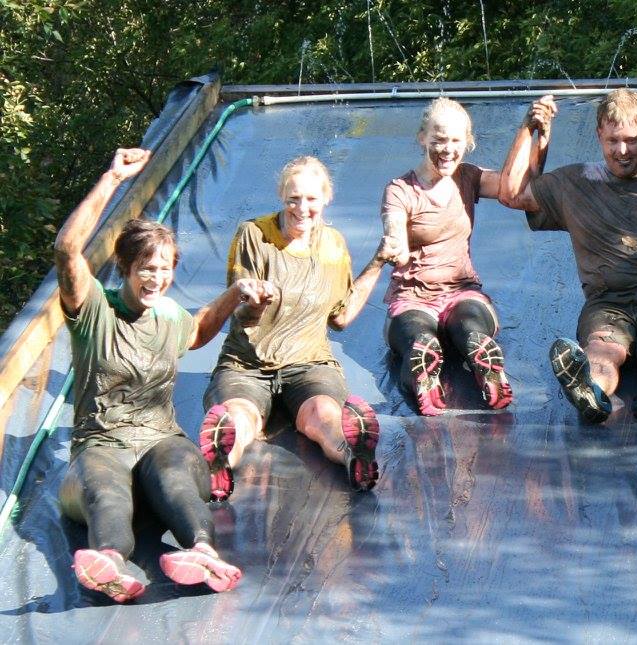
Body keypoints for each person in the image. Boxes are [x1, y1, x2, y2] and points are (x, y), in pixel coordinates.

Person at [55, 148, 259, 602]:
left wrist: (234, 294)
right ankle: (109, 562)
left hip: (159, 439)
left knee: (176, 477)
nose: (156, 278)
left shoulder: (167, 316)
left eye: (165, 270)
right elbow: (67, 250)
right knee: (106, 492)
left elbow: (198, 331)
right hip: (102, 444)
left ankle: (203, 552)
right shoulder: (94, 310)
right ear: (126, 269)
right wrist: (112, 178)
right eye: (146, 268)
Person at [499, 89, 637, 423]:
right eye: (613, 141)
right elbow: (512, 193)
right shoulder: (576, 182)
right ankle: (590, 390)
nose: (622, 150)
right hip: (608, 303)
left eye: (632, 140)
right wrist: (529, 131)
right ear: (599, 136)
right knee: (601, 351)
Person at [201, 156, 392, 500]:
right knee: (242, 416)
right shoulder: (254, 235)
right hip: (246, 364)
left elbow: (341, 317)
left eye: (311, 199)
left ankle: (354, 452)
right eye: (293, 199)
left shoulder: (333, 246)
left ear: (326, 198)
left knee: (322, 414)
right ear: (281, 196)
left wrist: (378, 262)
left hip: (309, 363)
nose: (302, 208)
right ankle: (221, 461)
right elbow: (241, 314)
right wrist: (255, 303)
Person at [381, 98, 539, 415]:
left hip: (461, 292)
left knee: (469, 326)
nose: (447, 150)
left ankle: (482, 357)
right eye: (439, 140)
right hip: (412, 298)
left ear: (467, 142)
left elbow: (513, 187)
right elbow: (393, 224)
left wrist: (529, 130)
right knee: (417, 336)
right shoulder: (400, 190)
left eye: (455, 141)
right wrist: (395, 242)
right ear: (422, 138)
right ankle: (423, 372)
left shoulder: (468, 176)